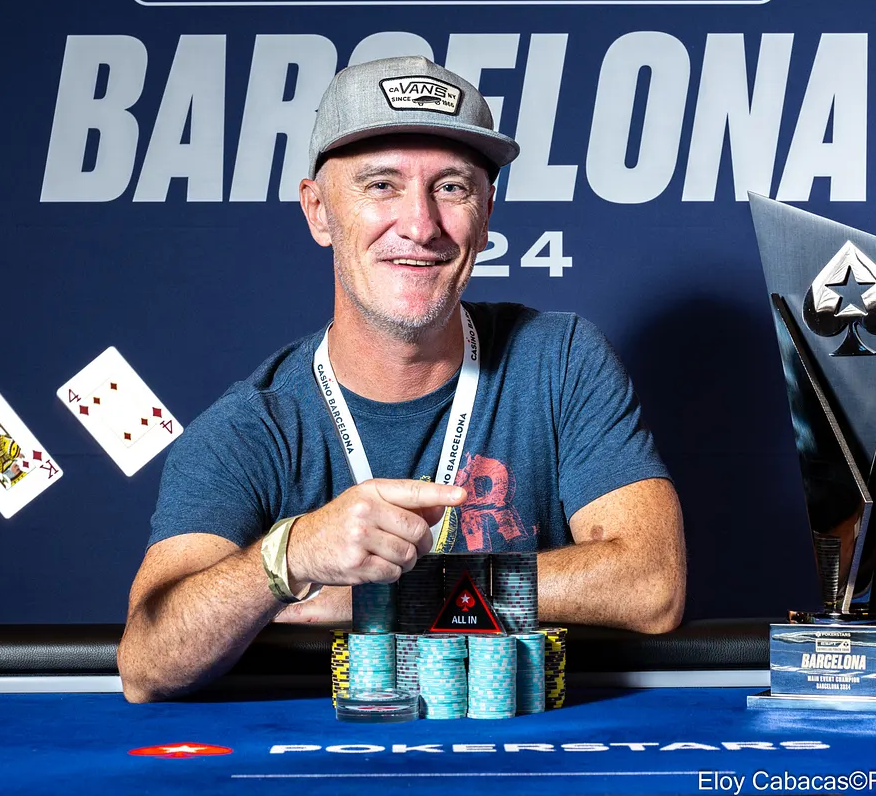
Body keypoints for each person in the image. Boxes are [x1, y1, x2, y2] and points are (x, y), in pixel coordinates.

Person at [118, 55, 686, 702]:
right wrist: (291, 556)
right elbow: (148, 663)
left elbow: (651, 584)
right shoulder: (253, 426)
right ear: (319, 211)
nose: (420, 224)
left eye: (452, 188)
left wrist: (393, 592)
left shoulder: (560, 360)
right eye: (382, 184)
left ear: (486, 212)